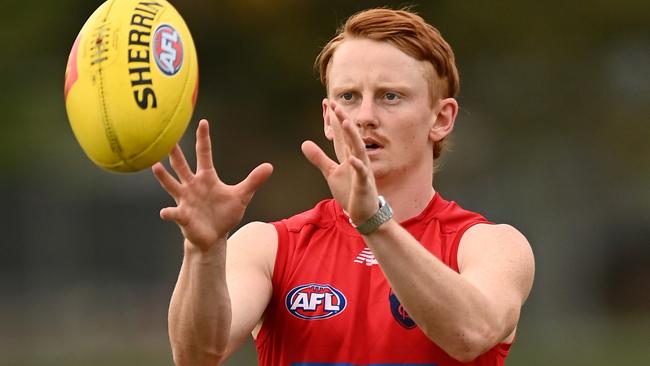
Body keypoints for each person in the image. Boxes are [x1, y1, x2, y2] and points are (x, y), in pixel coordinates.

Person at [152, 7, 535, 366]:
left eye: (390, 96)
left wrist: (375, 223)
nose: (365, 116)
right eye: (348, 97)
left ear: (442, 118)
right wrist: (202, 250)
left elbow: (470, 334)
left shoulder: (490, 245)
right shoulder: (270, 246)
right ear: (327, 118)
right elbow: (198, 355)